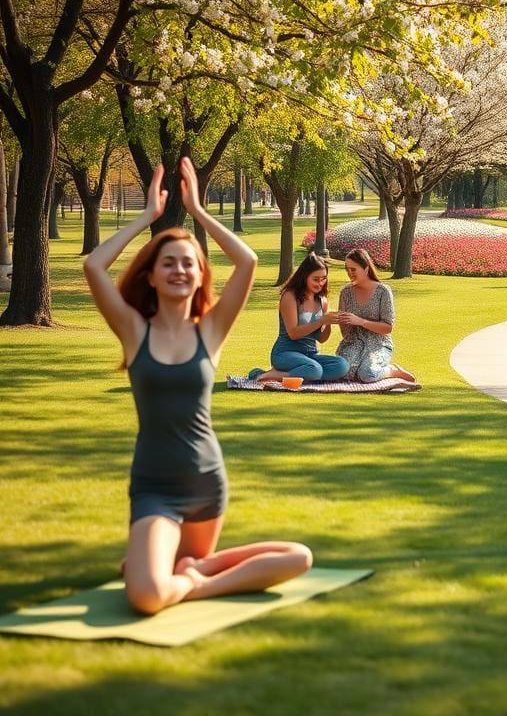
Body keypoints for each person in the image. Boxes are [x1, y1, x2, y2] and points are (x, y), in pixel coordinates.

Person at [83, 158, 312, 615]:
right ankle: (185, 575)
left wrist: (198, 211)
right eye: (168, 263)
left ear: (200, 275)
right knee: (147, 595)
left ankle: (190, 576)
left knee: (299, 557)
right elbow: (94, 265)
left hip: (206, 484)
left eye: (188, 263)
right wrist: (148, 217)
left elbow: (247, 261)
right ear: (150, 275)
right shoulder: (134, 331)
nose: (179, 270)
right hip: (154, 489)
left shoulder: (210, 331)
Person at [249, 253, 349, 383]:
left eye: (323, 279)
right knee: (315, 370)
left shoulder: (322, 300)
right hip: (285, 353)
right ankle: (276, 376)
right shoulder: (290, 296)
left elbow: (321, 339)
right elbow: (293, 334)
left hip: (310, 355)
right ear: (305, 276)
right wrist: (321, 321)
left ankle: (273, 374)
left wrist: (328, 321)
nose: (320, 283)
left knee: (342, 365)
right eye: (316, 279)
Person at [336, 248, 416, 383]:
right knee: (343, 372)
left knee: (367, 374)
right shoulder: (345, 292)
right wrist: (339, 320)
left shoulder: (383, 291)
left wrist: (361, 321)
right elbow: (345, 334)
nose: (349, 273)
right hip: (353, 343)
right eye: (347, 269)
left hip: (379, 344)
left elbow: (388, 328)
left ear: (366, 269)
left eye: (353, 269)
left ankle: (392, 370)